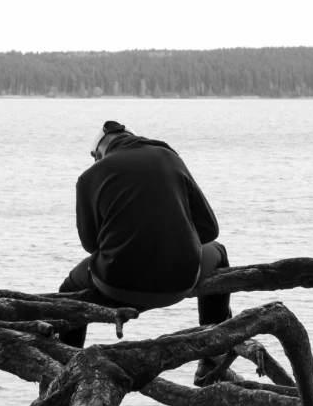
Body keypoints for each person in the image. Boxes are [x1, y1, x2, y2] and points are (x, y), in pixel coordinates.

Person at [59, 120, 232, 353]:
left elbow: (90, 245)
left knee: (69, 290)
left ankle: (67, 361)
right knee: (218, 250)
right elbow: (209, 230)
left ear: (96, 154)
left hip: (116, 285)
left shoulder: (89, 177)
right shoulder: (168, 157)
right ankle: (214, 352)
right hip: (180, 281)